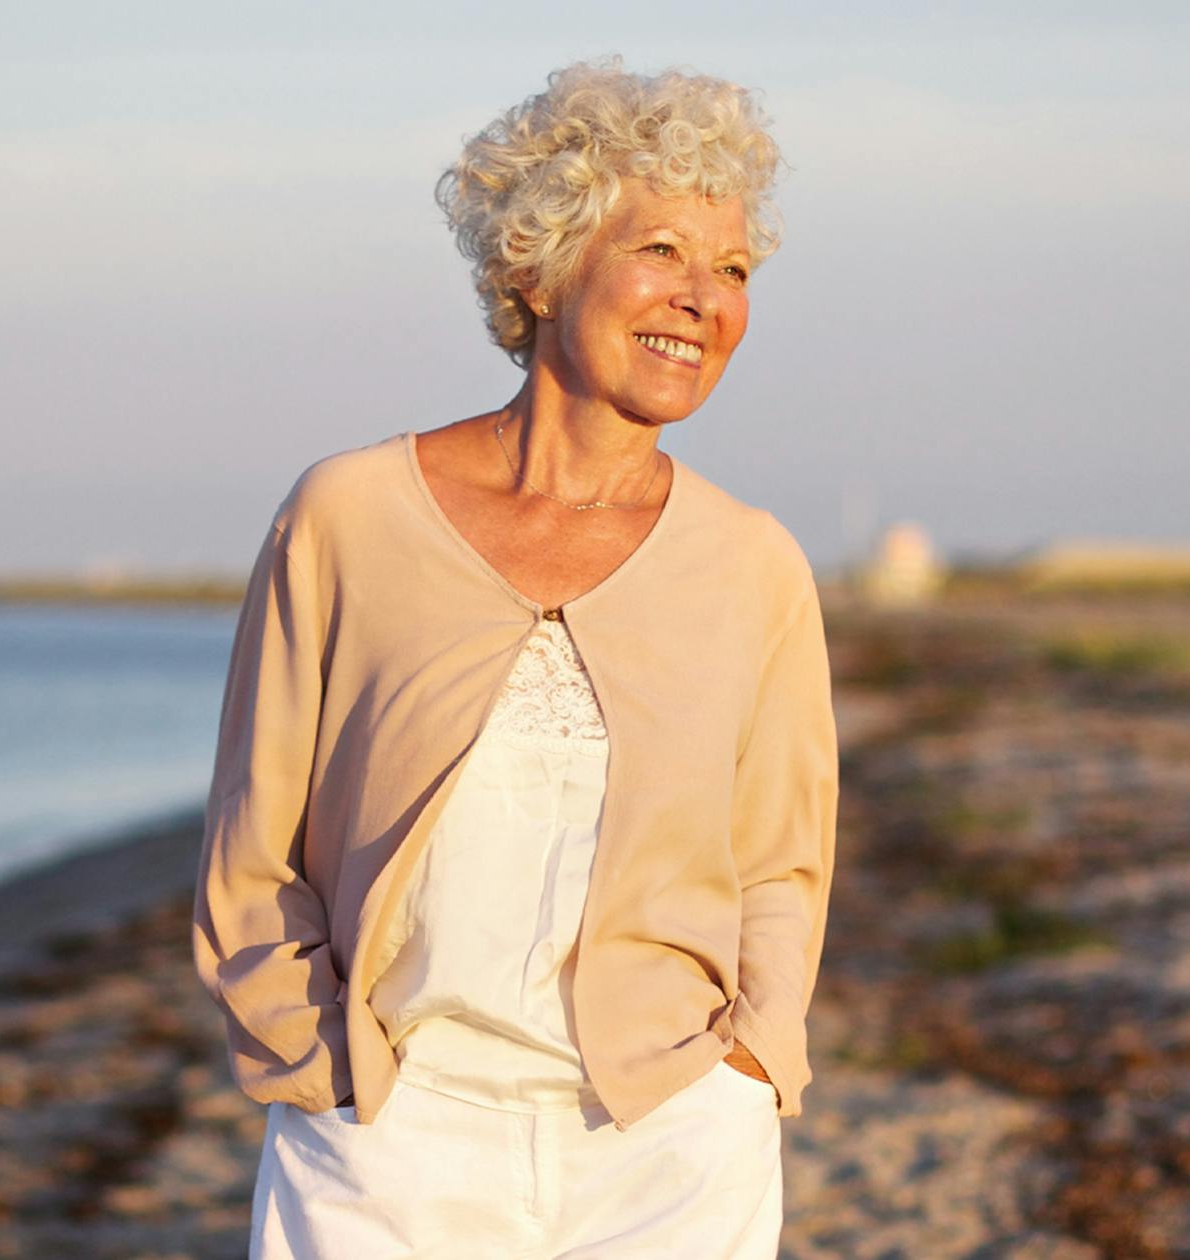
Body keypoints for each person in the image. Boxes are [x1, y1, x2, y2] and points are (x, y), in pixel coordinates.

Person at [192, 56, 838, 1259]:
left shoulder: (754, 565)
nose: (703, 298)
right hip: (388, 1141)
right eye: (661, 252)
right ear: (534, 266)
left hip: (668, 1148)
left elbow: (780, 866)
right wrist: (314, 1060)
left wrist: (749, 1069)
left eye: (733, 268)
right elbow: (252, 834)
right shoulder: (348, 516)